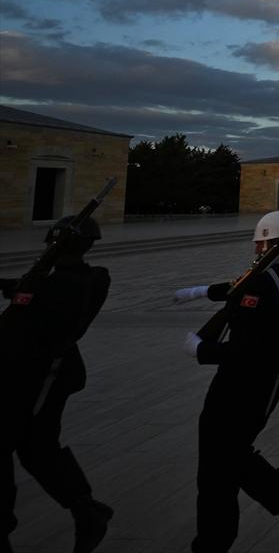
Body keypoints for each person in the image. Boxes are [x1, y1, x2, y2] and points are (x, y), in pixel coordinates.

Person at [177, 210, 279, 553]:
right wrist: (200, 291)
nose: (256, 245)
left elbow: (247, 345)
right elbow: (235, 290)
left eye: (261, 240)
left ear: (270, 241)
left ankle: (216, 541)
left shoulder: (264, 281)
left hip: (247, 377)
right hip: (263, 373)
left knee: (218, 462)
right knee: (228, 453)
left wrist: (203, 351)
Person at [1, 216, 113, 553]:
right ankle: (87, 510)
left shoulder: (72, 284)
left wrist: (24, 288)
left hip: (38, 376)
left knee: (32, 447)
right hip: (31, 375)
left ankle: (84, 510)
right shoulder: (57, 283)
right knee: (38, 450)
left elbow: (42, 303)